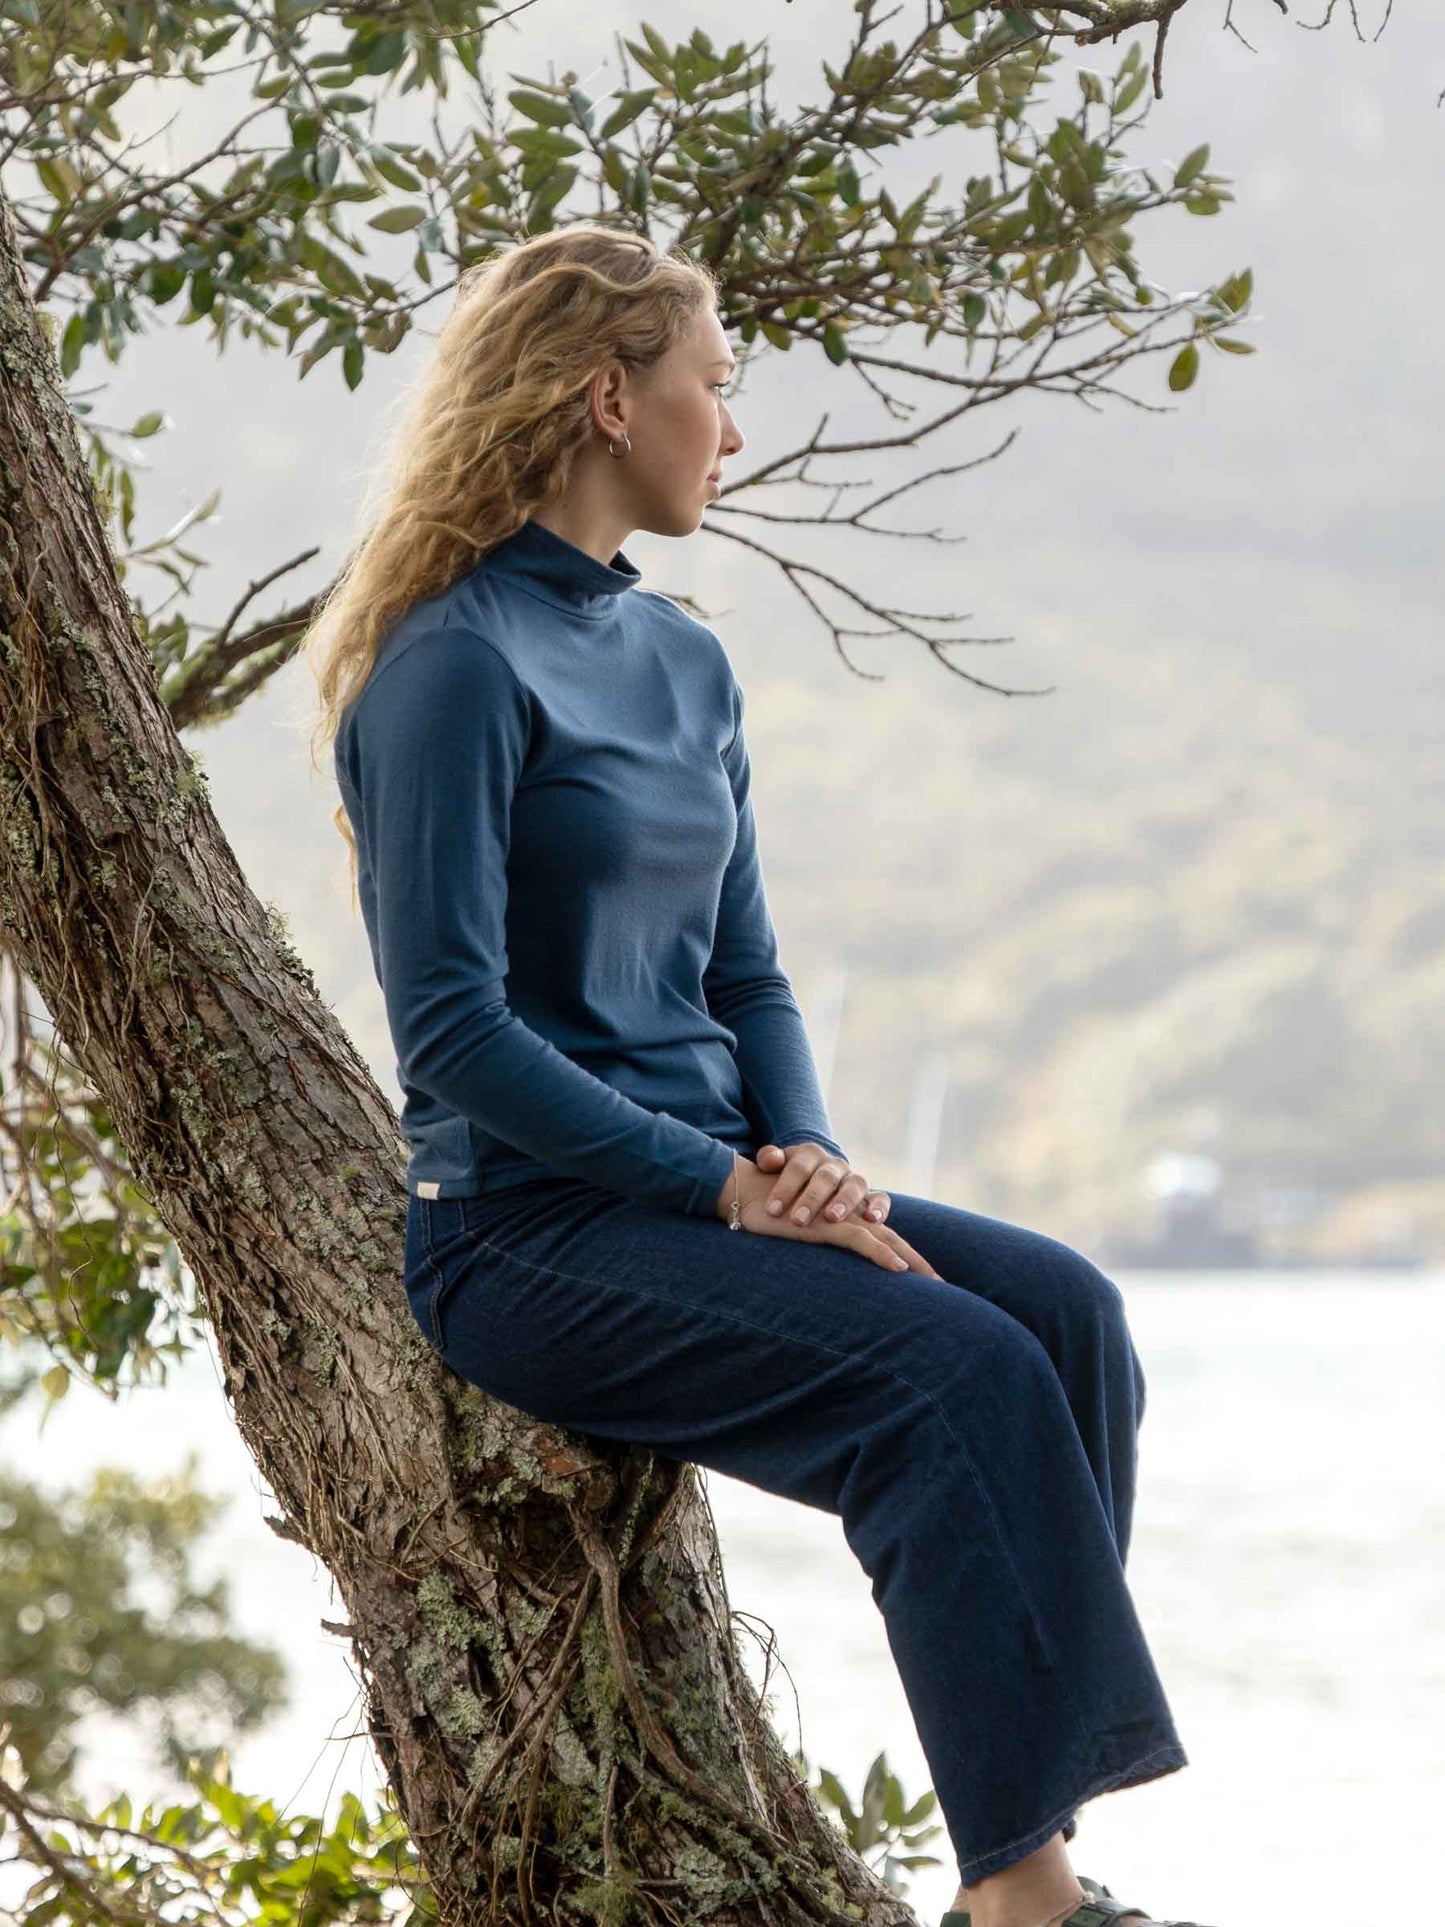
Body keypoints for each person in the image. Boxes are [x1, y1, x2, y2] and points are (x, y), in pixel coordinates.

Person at [307, 223, 1209, 1927]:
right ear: (607, 400)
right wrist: (727, 1186)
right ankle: (1024, 1901)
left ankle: (1022, 1844)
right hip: (523, 1235)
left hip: (720, 1189)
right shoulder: (449, 666)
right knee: (952, 1375)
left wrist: (804, 1153)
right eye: (711, 388)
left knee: (1066, 1312)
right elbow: (451, 1034)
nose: (730, 430)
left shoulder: (683, 660)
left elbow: (747, 975)